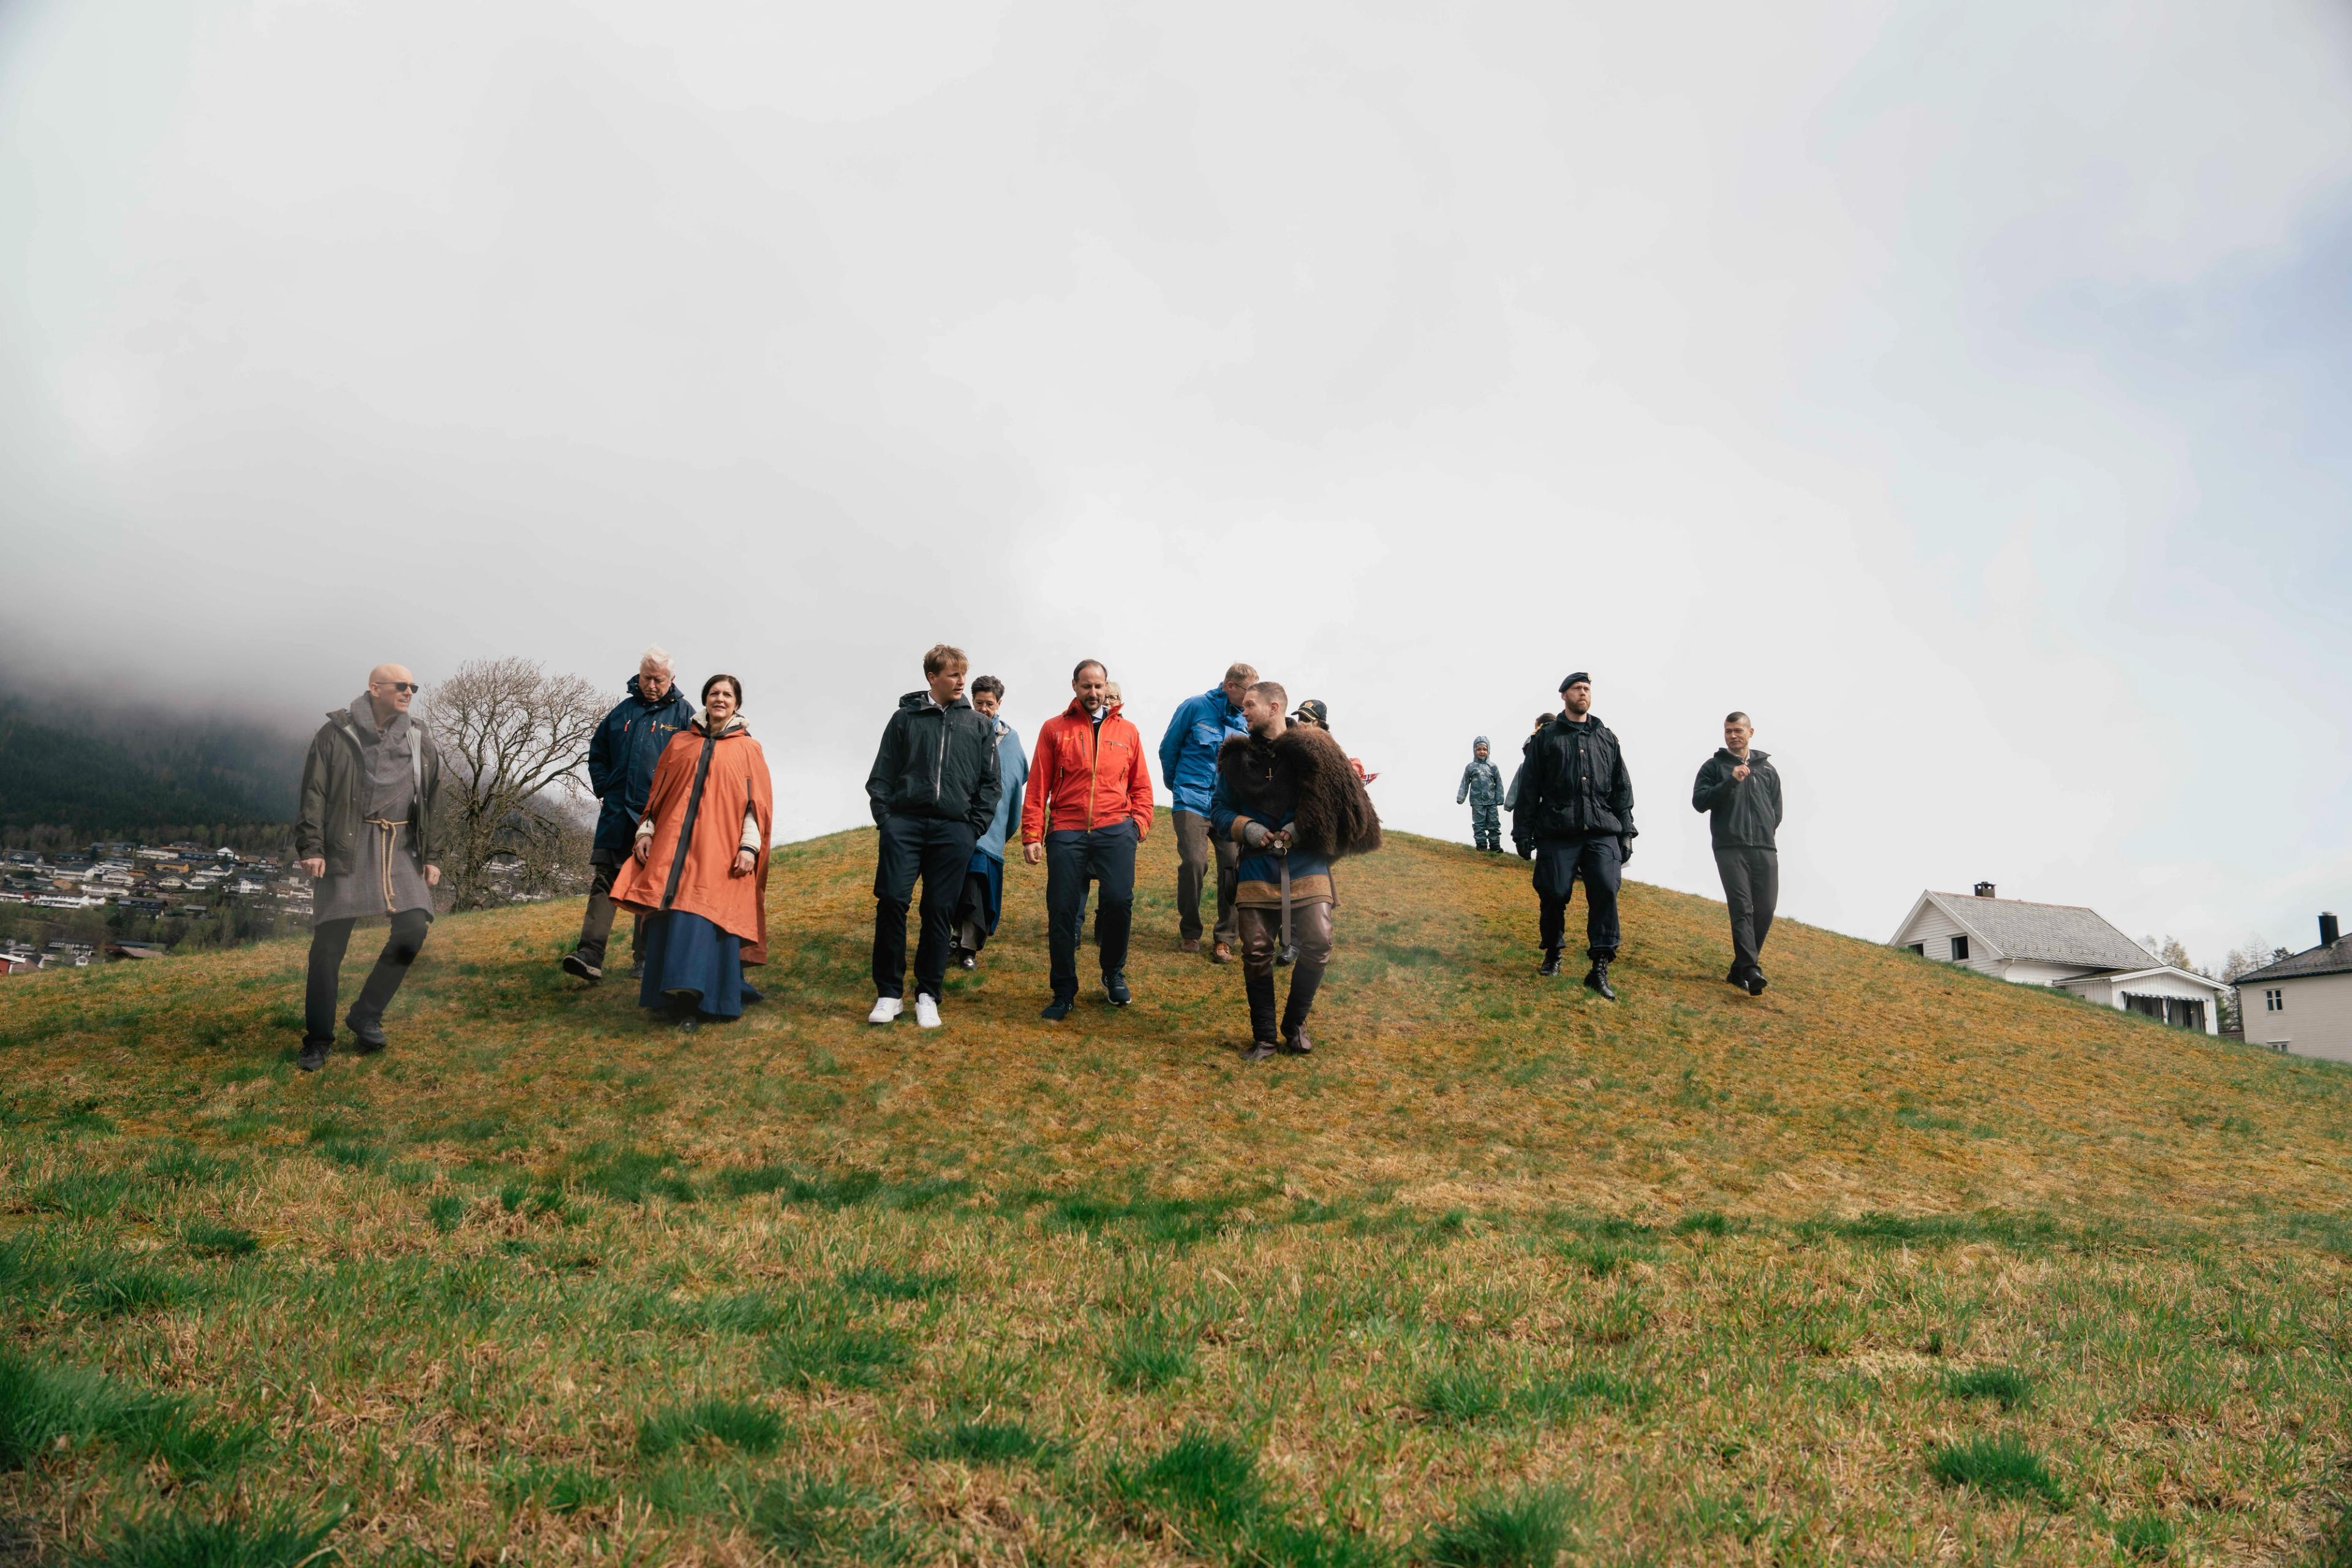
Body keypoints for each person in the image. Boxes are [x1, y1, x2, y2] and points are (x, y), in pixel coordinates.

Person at [1210, 680, 1382, 1059]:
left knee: (1319, 942)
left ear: (1274, 708)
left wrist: (1300, 828)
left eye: (1250, 705)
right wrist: (1250, 830)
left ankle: (1296, 1022)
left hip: (1307, 860)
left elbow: (1338, 800)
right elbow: (1219, 810)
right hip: (1256, 864)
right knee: (1256, 951)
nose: (1244, 711)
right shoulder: (1236, 758)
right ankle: (1266, 1037)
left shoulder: (1316, 749)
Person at [293, 663, 445, 1071]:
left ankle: (367, 1012)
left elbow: (432, 799)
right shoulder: (335, 734)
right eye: (401, 685)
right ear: (374, 688)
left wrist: (432, 856)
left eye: (413, 686)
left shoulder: (418, 737)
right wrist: (313, 847)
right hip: (346, 842)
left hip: (399, 845)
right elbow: (314, 794)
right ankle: (318, 1039)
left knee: (414, 925)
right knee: (329, 945)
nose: (409, 691)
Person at [608, 674, 773, 1028]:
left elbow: (755, 807)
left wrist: (749, 846)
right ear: (705, 699)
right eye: (714, 693)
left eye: (727, 694)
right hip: (673, 850)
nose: (720, 699)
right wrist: (645, 832)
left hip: (720, 851)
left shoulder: (748, 749)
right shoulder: (681, 742)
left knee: (705, 919)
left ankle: (697, 1002)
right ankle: (668, 997)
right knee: (674, 916)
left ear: (737, 703)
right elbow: (657, 795)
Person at [863, 645, 1002, 1029]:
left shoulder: (979, 724)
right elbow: (881, 776)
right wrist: (888, 821)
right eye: (953, 674)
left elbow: (992, 784)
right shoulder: (904, 719)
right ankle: (889, 994)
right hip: (904, 827)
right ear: (932, 678)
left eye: (963, 674)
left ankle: (928, 994)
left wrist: (972, 827)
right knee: (892, 902)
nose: (961, 681)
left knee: (938, 911)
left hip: (954, 831)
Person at [1022, 658, 1153, 1020]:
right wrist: (1032, 833)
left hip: (1116, 830)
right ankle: (1063, 991)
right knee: (1062, 913)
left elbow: (1141, 785)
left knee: (1118, 903)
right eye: (1086, 686)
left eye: (1098, 686)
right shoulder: (1054, 729)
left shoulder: (1128, 731)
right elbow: (1038, 784)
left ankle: (1113, 973)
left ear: (1106, 687)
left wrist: (1137, 825)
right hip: (1067, 831)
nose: (1092, 693)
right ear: (1075, 687)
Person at [565, 647, 696, 983]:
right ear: (639, 676)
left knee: (651, 885)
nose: (652, 685)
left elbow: (694, 765)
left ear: (672, 680)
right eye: (647, 678)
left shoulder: (685, 717)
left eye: (659, 679)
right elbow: (598, 753)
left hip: (658, 817)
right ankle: (590, 955)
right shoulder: (620, 713)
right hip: (616, 814)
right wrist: (605, 787)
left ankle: (645, 959)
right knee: (605, 880)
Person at [1510, 672, 1635, 1000]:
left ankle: (1599, 967)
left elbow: (1622, 787)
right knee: (1553, 892)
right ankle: (1553, 950)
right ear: (1563, 695)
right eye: (1577, 689)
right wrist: (1522, 831)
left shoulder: (1606, 738)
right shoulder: (1547, 738)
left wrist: (1627, 832)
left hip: (1601, 829)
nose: (1583, 693)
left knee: (1606, 889)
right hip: (1557, 829)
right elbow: (1529, 788)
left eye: (1587, 689)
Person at [1159, 663, 1255, 960]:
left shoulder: (1246, 721)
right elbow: (1168, 748)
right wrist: (1177, 786)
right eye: (1247, 692)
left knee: (1233, 869)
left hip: (1226, 808)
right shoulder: (1194, 707)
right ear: (1230, 686)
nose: (1251, 699)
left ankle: (1225, 939)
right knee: (1194, 863)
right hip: (1191, 801)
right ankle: (1190, 931)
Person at [1693, 710, 1783, 995]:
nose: (1733, 736)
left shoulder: (1767, 769)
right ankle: (1751, 969)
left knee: (1766, 909)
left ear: (1750, 733)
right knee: (1742, 908)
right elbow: (1700, 802)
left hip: (1764, 847)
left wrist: (1765, 831)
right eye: (1728, 731)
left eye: (1738, 731)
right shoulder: (1713, 766)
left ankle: (1738, 970)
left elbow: (1776, 811)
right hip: (1730, 847)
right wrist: (1731, 781)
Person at [950, 675, 1028, 970]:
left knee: (977, 885)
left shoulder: (1009, 738)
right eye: (979, 702)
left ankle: (969, 947)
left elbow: (1013, 779)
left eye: (990, 704)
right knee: (953, 884)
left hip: (989, 832)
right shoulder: (958, 727)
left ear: (999, 704)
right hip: (957, 825)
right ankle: (954, 936)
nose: (984, 709)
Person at [1290, 699, 1378, 783]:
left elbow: (1354, 766)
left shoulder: (1331, 749)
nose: (1301, 723)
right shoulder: (1292, 743)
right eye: (1300, 718)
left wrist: (1353, 773)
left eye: (1306, 719)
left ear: (1318, 723)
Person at [1457, 737, 1504, 852]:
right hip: (1477, 801)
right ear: (1474, 750)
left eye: (1484, 749)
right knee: (1479, 824)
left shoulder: (1493, 767)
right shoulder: (1471, 767)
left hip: (1491, 801)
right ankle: (1481, 844)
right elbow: (1465, 783)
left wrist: (1500, 798)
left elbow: (1499, 783)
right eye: (1479, 749)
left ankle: (1495, 845)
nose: (1482, 752)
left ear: (1488, 751)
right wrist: (1461, 797)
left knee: (1494, 823)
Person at [1504, 712, 1551, 814]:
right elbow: (1516, 785)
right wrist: (1509, 804)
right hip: (1531, 813)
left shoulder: (1560, 764)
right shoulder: (1525, 767)